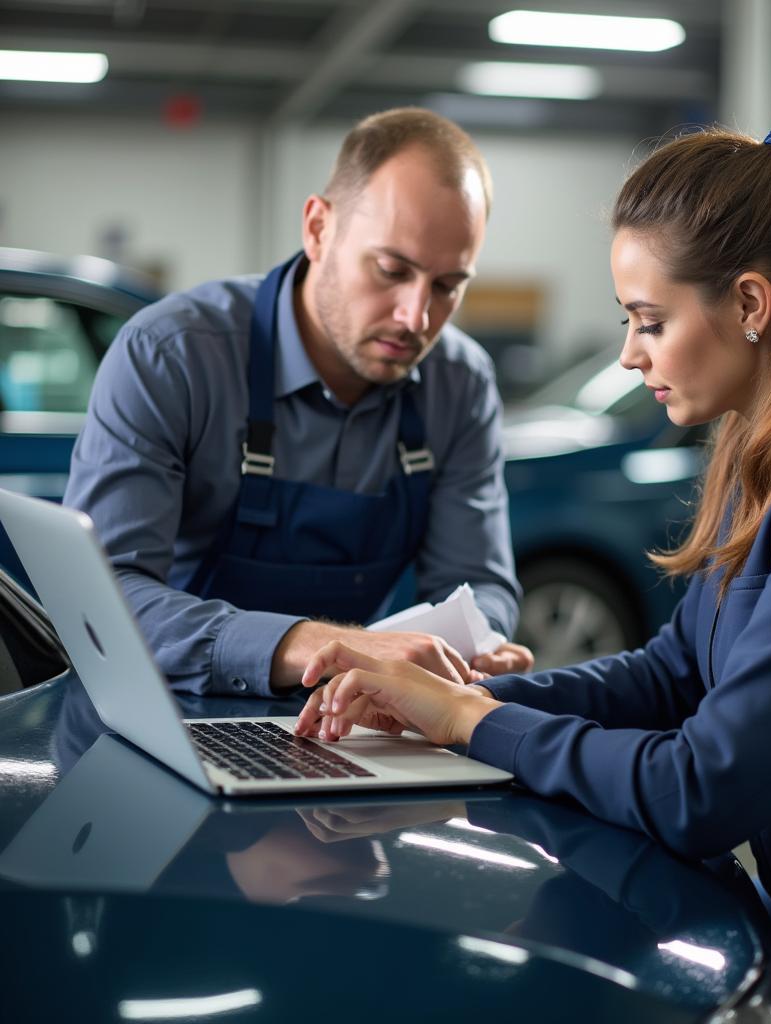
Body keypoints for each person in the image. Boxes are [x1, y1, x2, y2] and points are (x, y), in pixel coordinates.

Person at [294, 115, 771, 1022]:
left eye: (649, 321)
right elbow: (671, 672)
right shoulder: (769, 452)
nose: (632, 353)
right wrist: (436, 702)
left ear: (752, 305)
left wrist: (473, 722)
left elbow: (704, 790)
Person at [63, 107, 533, 697]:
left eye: (447, 287)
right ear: (317, 228)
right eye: (391, 269)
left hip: (352, 719)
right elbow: (103, 602)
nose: (416, 317)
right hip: (164, 707)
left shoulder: (460, 383)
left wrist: (477, 643)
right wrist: (314, 645)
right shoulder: (171, 355)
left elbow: (477, 582)